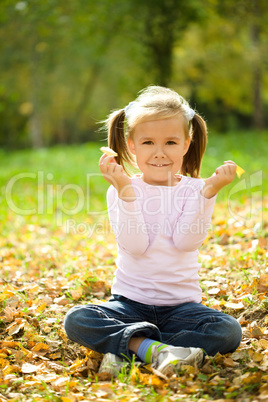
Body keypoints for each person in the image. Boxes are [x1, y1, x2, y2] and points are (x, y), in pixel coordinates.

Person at [64, 86, 242, 376]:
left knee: (227, 331)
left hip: (181, 308)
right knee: (77, 319)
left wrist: (209, 192)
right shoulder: (122, 190)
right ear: (132, 146)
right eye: (148, 142)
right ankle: (161, 352)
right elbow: (135, 246)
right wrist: (125, 192)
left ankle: (131, 348)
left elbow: (187, 242)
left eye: (171, 142)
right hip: (129, 306)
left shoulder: (197, 190)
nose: (160, 153)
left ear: (186, 143)